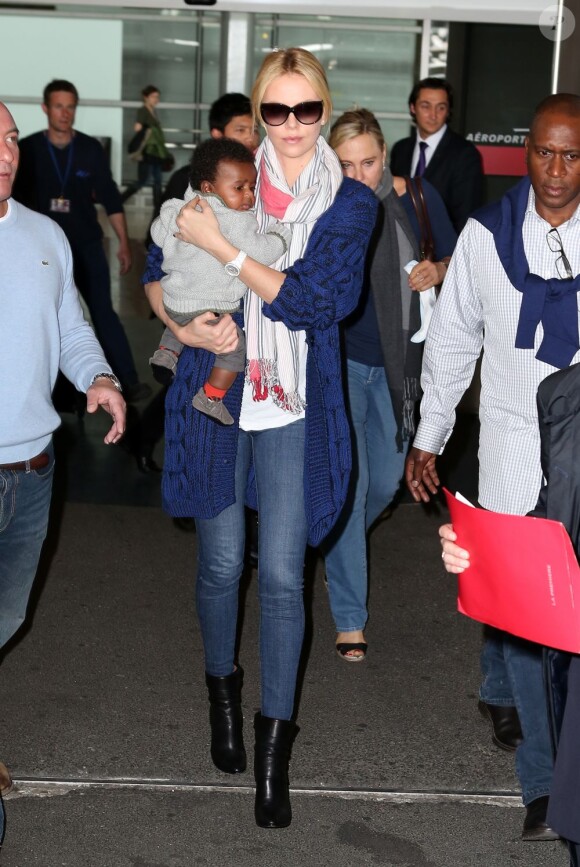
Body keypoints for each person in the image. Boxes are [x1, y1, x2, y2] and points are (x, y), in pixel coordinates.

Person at [143, 47, 377, 828]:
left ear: (322, 107)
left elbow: (314, 301)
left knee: (280, 575)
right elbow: (155, 262)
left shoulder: (349, 204)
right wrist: (181, 322)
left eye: (305, 110)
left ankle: (273, 757)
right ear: (259, 113)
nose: (290, 127)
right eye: (274, 111)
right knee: (217, 563)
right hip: (217, 390)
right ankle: (222, 694)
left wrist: (225, 251)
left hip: (292, 399)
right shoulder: (217, 175)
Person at [405, 92, 580, 841]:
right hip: (511, 454)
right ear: (526, 151)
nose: (556, 170)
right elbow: (452, 342)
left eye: (572, 155)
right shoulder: (483, 237)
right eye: (544, 151)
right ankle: (542, 784)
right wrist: (430, 434)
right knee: (527, 631)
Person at [0, 100, 126, 842]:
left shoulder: (45, 236)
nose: (8, 152)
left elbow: (73, 327)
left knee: (9, 617)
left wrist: (99, 378)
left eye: (12, 140)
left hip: (36, 470)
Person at [321, 108, 456, 661]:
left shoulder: (417, 198)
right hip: (342, 360)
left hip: (403, 370)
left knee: (383, 485)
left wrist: (439, 269)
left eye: (368, 163)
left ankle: (336, 538)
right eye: (345, 164)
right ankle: (350, 616)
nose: (358, 176)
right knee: (351, 487)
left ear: (386, 154)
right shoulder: (324, 203)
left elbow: (462, 259)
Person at [13, 79, 150, 403]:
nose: (65, 113)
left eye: (70, 106)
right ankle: (54, 392)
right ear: (46, 108)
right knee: (43, 316)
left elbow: (110, 199)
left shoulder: (89, 149)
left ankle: (125, 381)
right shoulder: (30, 149)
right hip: (42, 251)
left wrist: (124, 243)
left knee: (102, 312)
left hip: (86, 245)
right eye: (59, 106)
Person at [149, 137, 290, 425]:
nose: (248, 196)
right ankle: (211, 396)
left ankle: (165, 353)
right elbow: (262, 252)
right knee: (235, 348)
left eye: (252, 187)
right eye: (239, 188)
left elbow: (157, 235)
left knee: (181, 316)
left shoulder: (180, 208)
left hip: (173, 301)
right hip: (211, 309)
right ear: (209, 187)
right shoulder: (237, 221)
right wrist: (281, 235)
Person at [390, 77, 483, 233]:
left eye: (440, 108)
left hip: (443, 251)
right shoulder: (400, 149)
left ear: (448, 111)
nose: (433, 115)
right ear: (413, 108)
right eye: (426, 106)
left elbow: (467, 216)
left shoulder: (465, 154)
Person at [121, 85, 172, 211]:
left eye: (157, 97)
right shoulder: (143, 111)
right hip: (147, 152)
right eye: (153, 96)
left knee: (158, 180)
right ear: (146, 97)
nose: (156, 99)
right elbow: (137, 128)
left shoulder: (153, 111)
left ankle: (158, 206)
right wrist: (145, 128)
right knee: (142, 181)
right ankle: (119, 200)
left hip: (155, 151)